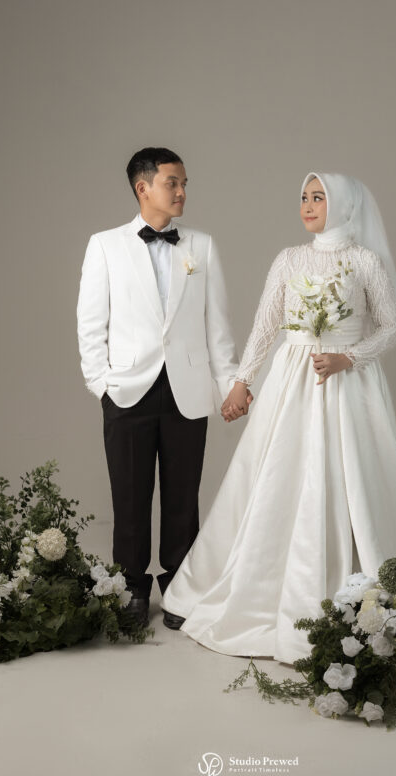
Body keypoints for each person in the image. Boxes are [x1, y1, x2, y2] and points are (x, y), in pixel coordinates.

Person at [161, 171, 396, 664]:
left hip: (347, 383)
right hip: (292, 380)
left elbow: (392, 324)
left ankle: (358, 593)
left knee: (349, 476)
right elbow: (266, 323)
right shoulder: (288, 259)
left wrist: (349, 357)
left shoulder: (365, 261)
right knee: (278, 473)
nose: (308, 205)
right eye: (304, 196)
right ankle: (260, 592)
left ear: (343, 205)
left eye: (319, 197)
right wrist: (243, 380)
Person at [76, 147, 250, 629]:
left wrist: (228, 384)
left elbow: (218, 326)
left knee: (183, 495)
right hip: (127, 389)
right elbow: (91, 323)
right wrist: (101, 384)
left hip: (187, 388)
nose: (182, 192)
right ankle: (131, 585)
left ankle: (180, 584)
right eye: (173, 183)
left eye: (184, 183)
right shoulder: (105, 245)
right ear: (143, 187)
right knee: (129, 495)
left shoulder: (202, 245)